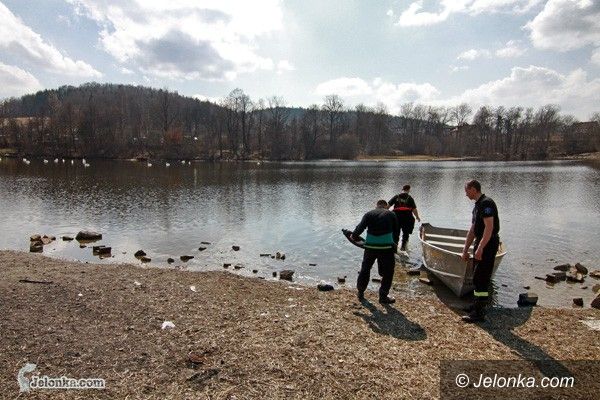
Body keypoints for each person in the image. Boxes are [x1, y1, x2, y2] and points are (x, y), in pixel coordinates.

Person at [461, 179, 500, 323]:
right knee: (476, 276)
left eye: (467, 191)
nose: (466, 194)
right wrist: (465, 249)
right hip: (480, 242)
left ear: (473, 189)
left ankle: (479, 313)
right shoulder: (477, 206)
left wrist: (481, 248)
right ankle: (476, 305)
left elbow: (489, 228)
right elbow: (473, 229)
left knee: (481, 277)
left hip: (488, 243)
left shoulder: (486, 203)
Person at [352, 200, 398, 304]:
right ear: (386, 206)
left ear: (376, 206)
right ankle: (383, 296)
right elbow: (396, 232)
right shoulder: (391, 214)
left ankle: (360, 292)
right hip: (386, 247)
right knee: (388, 271)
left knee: (365, 268)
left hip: (370, 247)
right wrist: (395, 246)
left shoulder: (369, 214)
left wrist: (354, 236)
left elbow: (360, 228)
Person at [388, 184, 421, 251]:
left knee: (395, 233)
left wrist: (382, 214)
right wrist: (417, 217)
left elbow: (388, 206)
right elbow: (414, 209)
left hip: (396, 218)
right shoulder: (410, 198)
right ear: (409, 190)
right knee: (406, 233)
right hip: (407, 218)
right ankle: (403, 248)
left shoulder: (396, 197)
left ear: (402, 189)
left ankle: (394, 249)